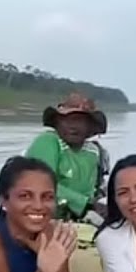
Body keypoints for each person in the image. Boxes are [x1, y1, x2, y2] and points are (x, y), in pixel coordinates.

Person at [25, 92, 110, 221]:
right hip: (41, 217)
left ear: (90, 126)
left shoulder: (94, 152)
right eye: (66, 120)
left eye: (80, 121)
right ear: (57, 123)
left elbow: (96, 190)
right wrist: (87, 205)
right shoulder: (48, 141)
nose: (73, 126)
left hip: (79, 219)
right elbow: (40, 184)